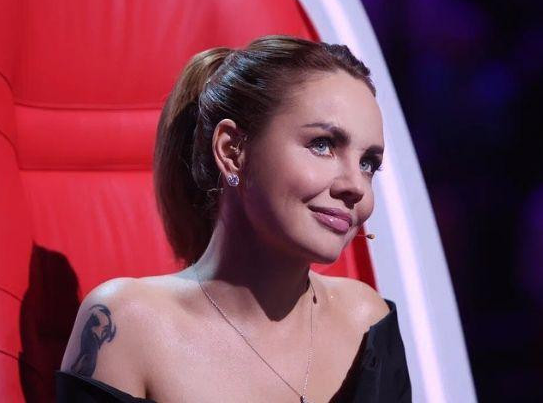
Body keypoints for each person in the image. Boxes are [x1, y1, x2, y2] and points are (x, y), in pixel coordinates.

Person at [56, 35, 412, 402]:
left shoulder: (366, 320)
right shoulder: (127, 325)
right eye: (322, 145)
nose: (356, 186)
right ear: (232, 150)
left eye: (368, 163)